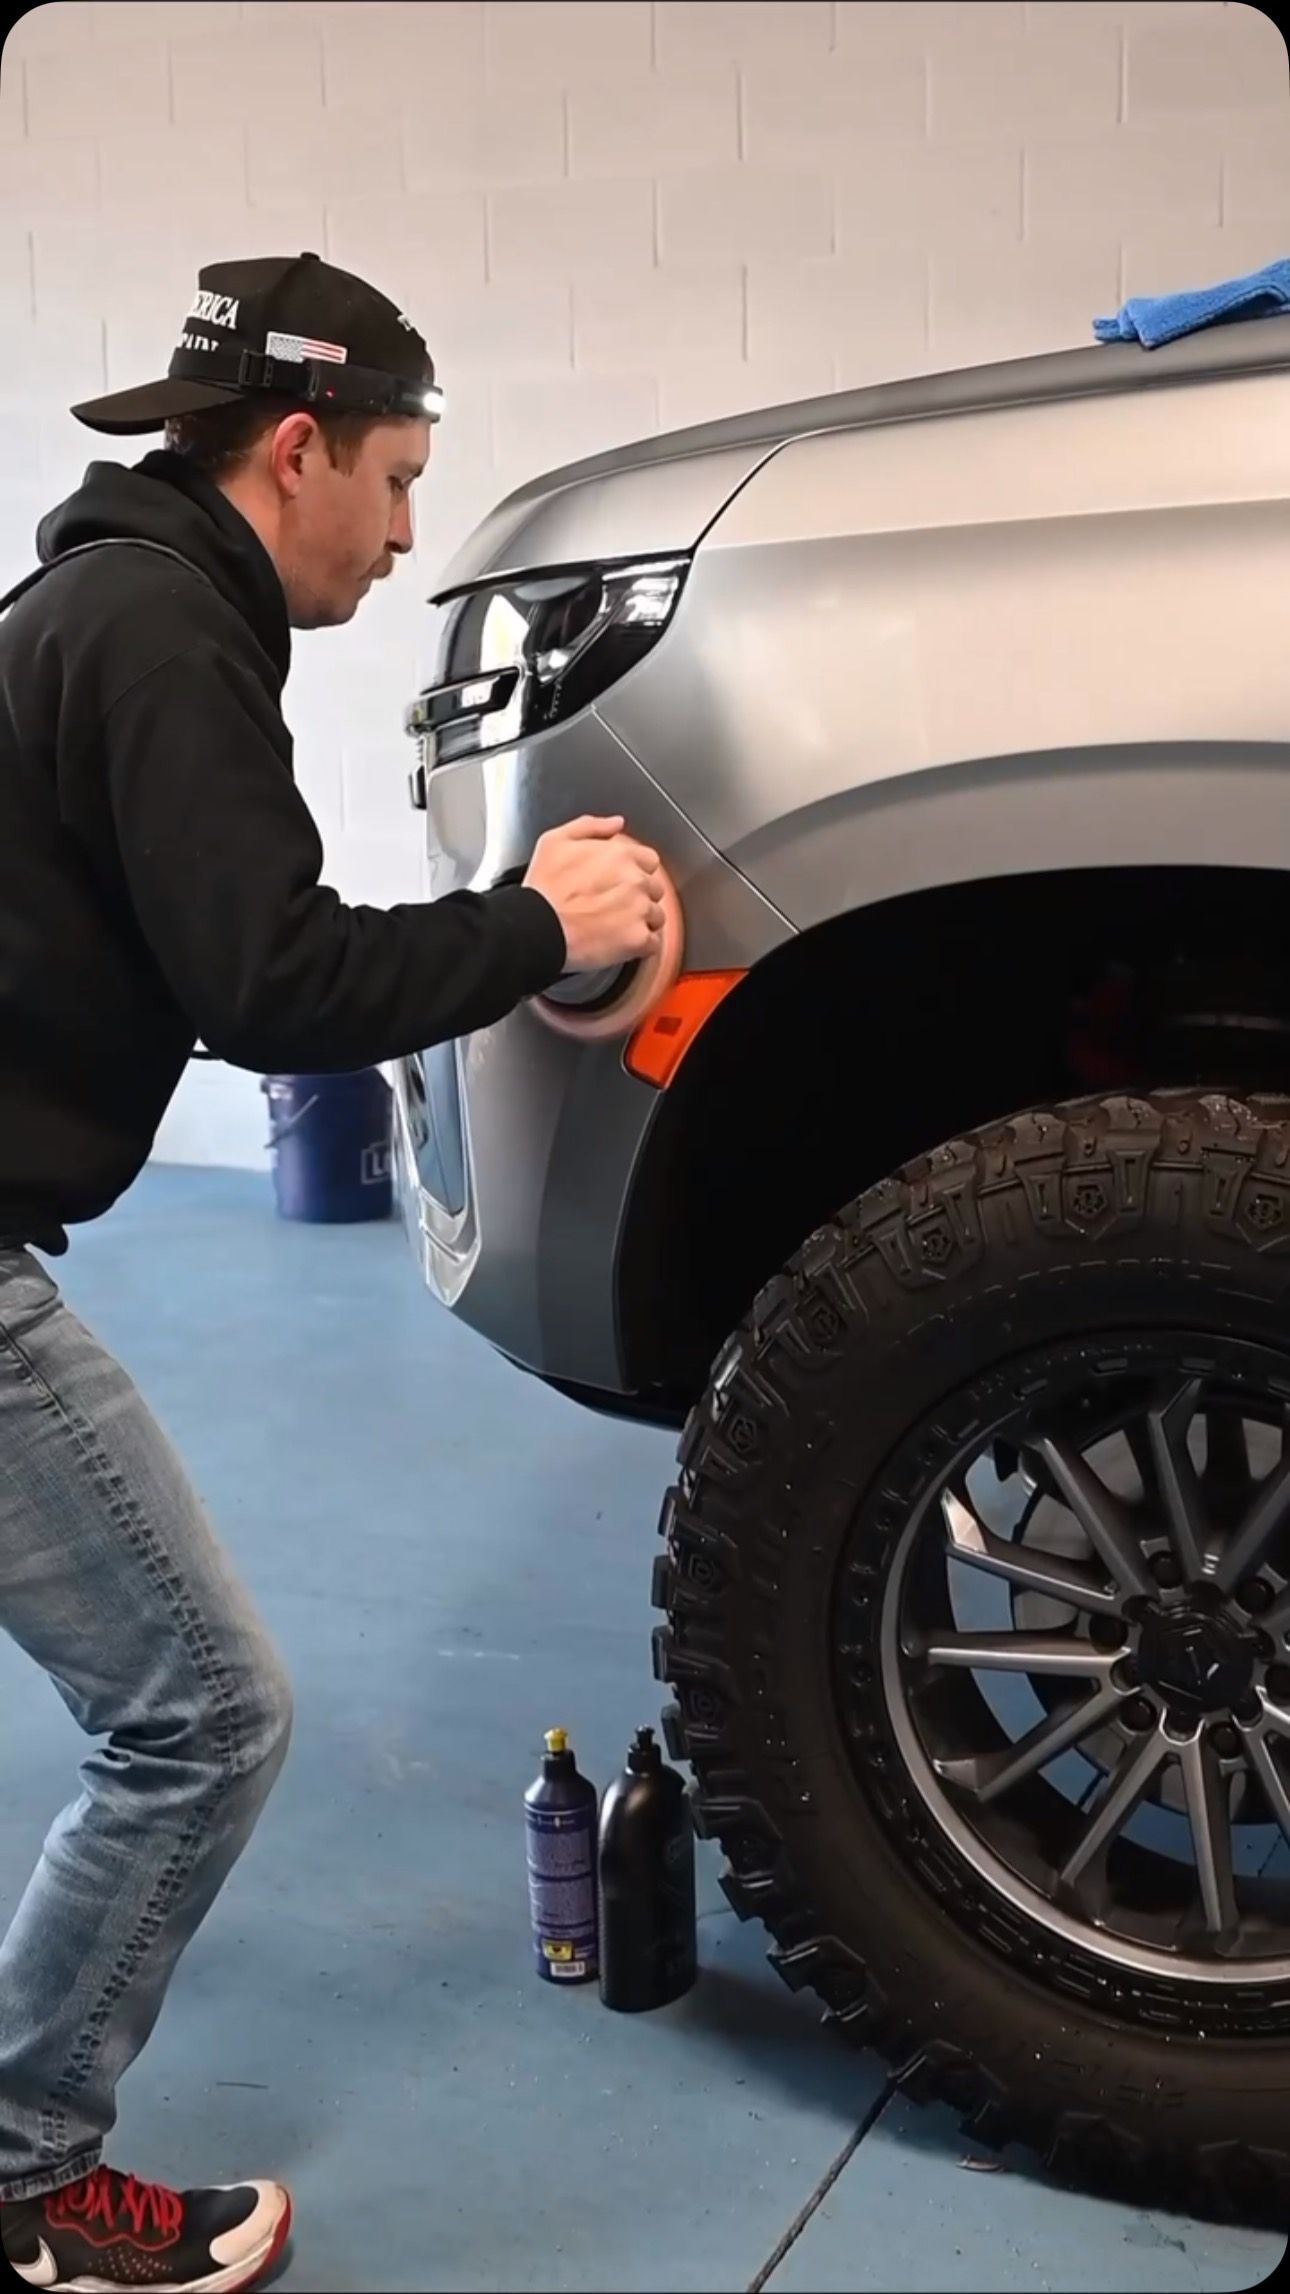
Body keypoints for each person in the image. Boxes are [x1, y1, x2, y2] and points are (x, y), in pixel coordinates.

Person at [0, 252, 666, 2294]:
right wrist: (528, 923)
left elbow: (199, 951)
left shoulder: (103, 605)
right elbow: (273, 977)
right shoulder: (158, 630)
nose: (402, 533)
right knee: (203, 1710)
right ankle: (25, 2173)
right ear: (291, 450)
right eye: (393, 479)